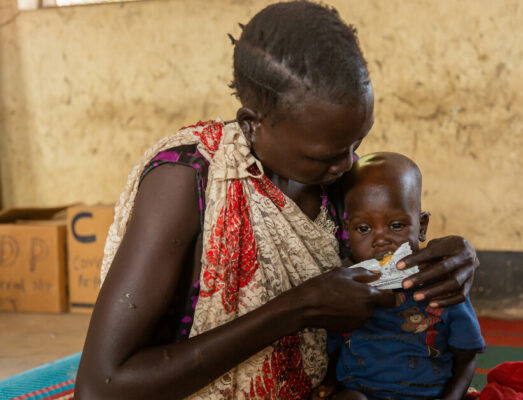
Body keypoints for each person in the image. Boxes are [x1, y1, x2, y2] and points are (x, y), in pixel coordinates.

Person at [74, 2, 480, 399]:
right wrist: (297, 310)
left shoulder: (337, 179)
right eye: (324, 155)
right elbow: (99, 387)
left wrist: (453, 258)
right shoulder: (186, 181)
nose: (347, 162)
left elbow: (392, 248)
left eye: (358, 141)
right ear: (253, 125)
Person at [317, 153, 485, 400]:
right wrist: (329, 383)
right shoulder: (346, 287)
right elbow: (334, 350)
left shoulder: (442, 285)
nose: (381, 239)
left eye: (396, 226)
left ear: (422, 226)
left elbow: (466, 356)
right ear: (347, 231)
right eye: (363, 228)